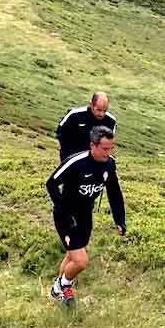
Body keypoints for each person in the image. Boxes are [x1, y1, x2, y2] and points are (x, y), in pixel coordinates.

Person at [46, 126, 126, 308]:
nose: (109, 152)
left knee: (71, 257)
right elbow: (51, 183)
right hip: (66, 216)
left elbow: (114, 192)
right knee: (81, 262)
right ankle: (63, 285)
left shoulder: (110, 164)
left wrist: (119, 219)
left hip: (85, 216)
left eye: (111, 148)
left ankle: (56, 292)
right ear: (93, 145)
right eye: (105, 148)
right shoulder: (76, 162)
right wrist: (62, 210)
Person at [55, 92, 117, 164]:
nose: (101, 114)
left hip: (96, 161)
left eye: (104, 110)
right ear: (91, 105)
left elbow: (109, 144)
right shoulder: (75, 115)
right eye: (98, 110)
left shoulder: (111, 121)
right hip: (71, 158)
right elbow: (61, 132)